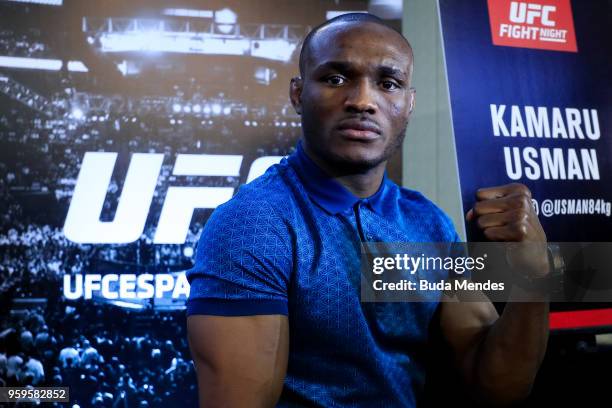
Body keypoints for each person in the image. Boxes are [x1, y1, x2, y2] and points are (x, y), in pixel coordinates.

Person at [186, 13, 550, 407]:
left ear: (408, 104)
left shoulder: (426, 222)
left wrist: (535, 276)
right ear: (297, 94)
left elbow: (495, 385)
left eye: (387, 83)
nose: (362, 101)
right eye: (335, 79)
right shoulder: (254, 224)